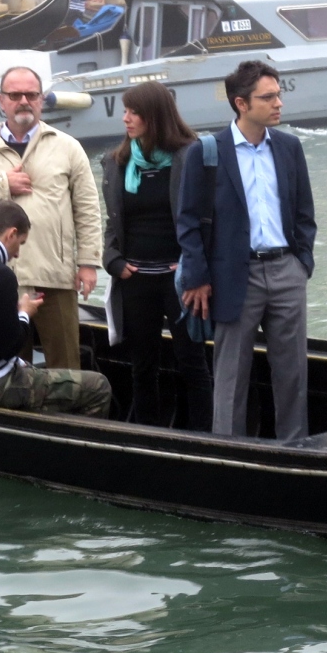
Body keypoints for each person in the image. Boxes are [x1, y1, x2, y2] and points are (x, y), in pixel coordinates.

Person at [177, 60, 316, 443]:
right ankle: (229, 451)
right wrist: (199, 278)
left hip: (287, 269)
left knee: (292, 372)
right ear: (241, 103)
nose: (278, 104)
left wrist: (302, 262)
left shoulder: (289, 147)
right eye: (268, 97)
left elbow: (305, 211)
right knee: (231, 374)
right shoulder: (206, 152)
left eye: (278, 95)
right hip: (234, 275)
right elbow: (187, 222)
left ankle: (295, 448)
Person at [0, 65, 102, 369]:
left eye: (31, 94)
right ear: (2, 100)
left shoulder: (67, 146)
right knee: (9, 366)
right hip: (0, 279)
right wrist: (2, 185)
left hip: (54, 275)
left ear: (41, 99)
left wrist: (87, 263)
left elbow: (87, 208)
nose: (24, 101)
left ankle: (65, 417)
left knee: (66, 367)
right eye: (15, 94)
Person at [0, 199, 111, 418]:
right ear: (11, 234)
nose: (17, 254)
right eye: (21, 243)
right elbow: (10, 347)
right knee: (98, 386)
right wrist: (24, 313)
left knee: (32, 372)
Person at [102, 83, 212, 430]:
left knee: (191, 360)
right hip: (135, 278)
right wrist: (114, 263)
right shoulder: (116, 161)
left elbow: (208, 218)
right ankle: (147, 433)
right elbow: (113, 221)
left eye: (133, 112)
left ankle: (204, 437)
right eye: (125, 112)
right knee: (142, 364)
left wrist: (195, 265)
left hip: (179, 279)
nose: (126, 119)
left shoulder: (191, 155)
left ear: (154, 115)